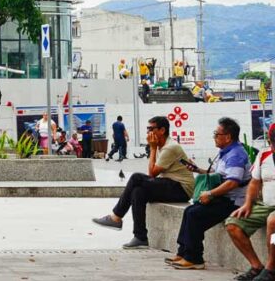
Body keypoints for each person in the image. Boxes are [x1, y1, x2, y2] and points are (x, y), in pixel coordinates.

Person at [91, 115, 193, 248]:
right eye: (147, 129)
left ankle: (116, 217)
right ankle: (140, 237)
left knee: (136, 177)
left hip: (181, 189)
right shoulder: (161, 145)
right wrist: (154, 148)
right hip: (169, 183)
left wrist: (152, 148)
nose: (148, 132)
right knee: (138, 192)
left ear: (162, 130)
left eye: (151, 128)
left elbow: (152, 174)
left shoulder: (170, 147)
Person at [167, 117, 250, 271]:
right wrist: (197, 170)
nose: (214, 137)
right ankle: (184, 252)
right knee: (189, 211)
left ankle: (195, 259)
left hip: (233, 202)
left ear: (228, 137)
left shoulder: (236, 155)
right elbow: (217, 174)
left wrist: (210, 194)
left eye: (216, 134)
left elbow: (233, 182)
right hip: (223, 198)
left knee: (195, 215)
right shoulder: (226, 152)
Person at [224, 123, 275, 280]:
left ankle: (271, 269)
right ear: (269, 141)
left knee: (273, 222)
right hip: (266, 204)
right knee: (233, 223)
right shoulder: (264, 155)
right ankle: (256, 266)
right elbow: (254, 182)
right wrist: (247, 204)